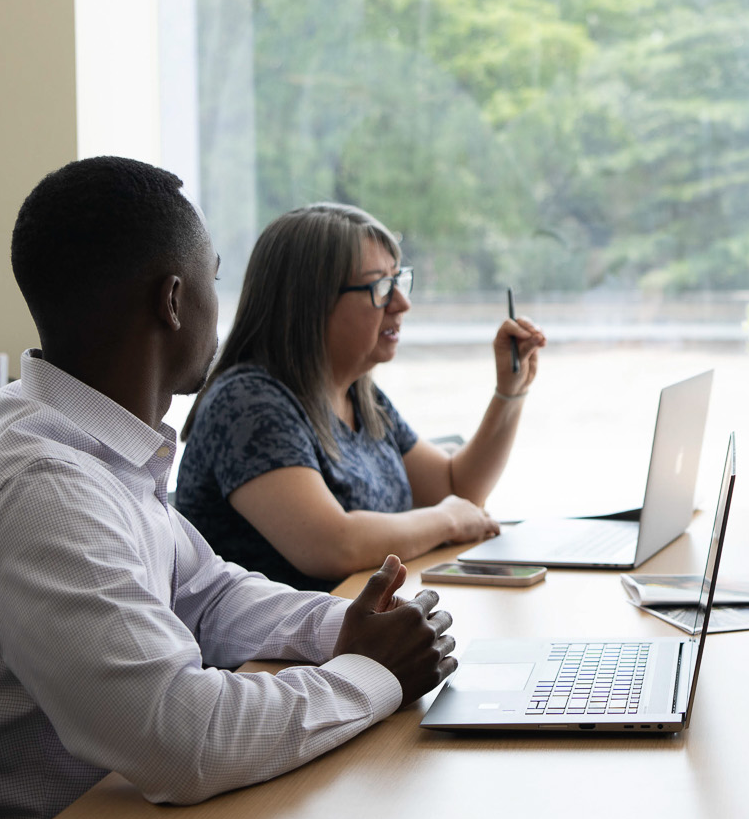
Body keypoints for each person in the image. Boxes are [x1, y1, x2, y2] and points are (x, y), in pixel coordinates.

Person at [0, 158, 458, 819]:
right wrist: (373, 674)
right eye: (215, 279)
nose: (223, 306)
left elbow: (215, 595)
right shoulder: (44, 486)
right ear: (174, 300)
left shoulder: (98, 453)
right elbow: (177, 737)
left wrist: (348, 625)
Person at [175, 203, 546, 590]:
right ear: (311, 302)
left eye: (398, 280)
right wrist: (447, 519)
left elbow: (457, 490)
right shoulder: (247, 403)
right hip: (277, 650)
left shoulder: (361, 396)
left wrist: (509, 392)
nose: (402, 304)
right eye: (380, 288)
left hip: (347, 639)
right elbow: (333, 545)